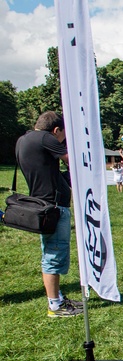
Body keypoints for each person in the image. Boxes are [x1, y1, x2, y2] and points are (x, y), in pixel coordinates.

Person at [15, 111, 82, 318]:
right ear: (56, 130)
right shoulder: (45, 138)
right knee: (54, 254)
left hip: (41, 204)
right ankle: (55, 305)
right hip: (53, 206)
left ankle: (58, 298)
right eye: (62, 136)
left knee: (50, 251)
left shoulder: (23, 140)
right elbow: (74, 161)